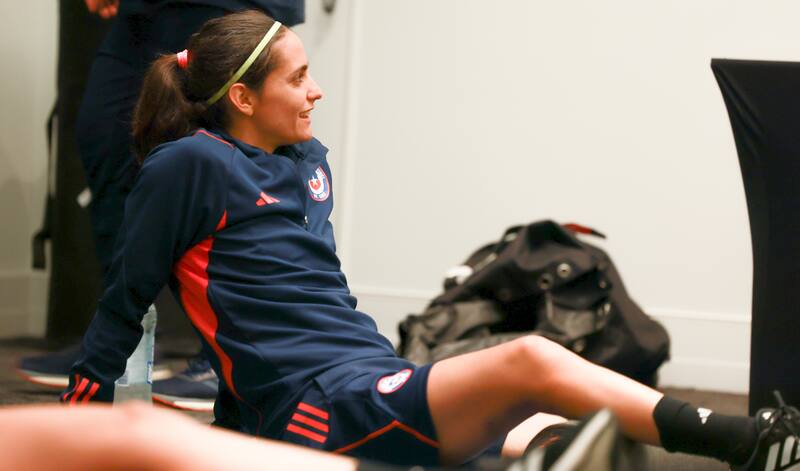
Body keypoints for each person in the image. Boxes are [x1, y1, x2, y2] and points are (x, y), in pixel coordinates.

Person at [60, 10, 800, 470]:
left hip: (358, 371)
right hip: (315, 404)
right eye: (301, 77)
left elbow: (305, 293)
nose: (316, 91)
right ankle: (741, 441)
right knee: (532, 360)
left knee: (536, 417)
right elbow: (127, 294)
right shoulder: (190, 164)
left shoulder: (306, 165)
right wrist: (84, 405)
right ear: (244, 99)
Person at [18, 0, 305, 412]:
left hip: (226, 4)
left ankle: (228, 357)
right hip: (146, 12)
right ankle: (115, 344)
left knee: (222, 150)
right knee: (106, 135)